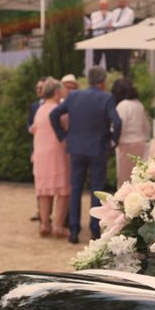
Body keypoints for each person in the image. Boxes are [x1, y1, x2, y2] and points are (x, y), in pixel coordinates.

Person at [50, 66, 122, 244]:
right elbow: (117, 121)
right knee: (97, 190)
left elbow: (54, 114)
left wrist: (63, 136)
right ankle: (95, 229)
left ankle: (74, 231)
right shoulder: (106, 97)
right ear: (103, 82)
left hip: (76, 148)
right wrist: (114, 140)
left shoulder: (74, 96)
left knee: (75, 189)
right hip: (98, 148)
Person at [30, 78, 70, 238]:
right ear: (56, 92)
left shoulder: (39, 110)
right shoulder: (60, 110)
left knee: (44, 190)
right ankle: (58, 225)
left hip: (40, 153)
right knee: (63, 190)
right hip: (57, 151)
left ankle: (45, 223)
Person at [111, 78, 150, 187]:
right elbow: (146, 126)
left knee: (124, 179)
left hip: (126, 144)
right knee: (137, 178)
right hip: (140, 143)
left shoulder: (123, 105)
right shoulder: (138, 104)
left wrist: (114, 140)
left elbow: (119, 126)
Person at [27, 77, 45, 222]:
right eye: (37, 88)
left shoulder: (57, 104)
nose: (38, 90)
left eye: (41, 88)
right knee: (38, 180)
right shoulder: (34, 106)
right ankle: (40, 211)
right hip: (37, 145)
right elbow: (29, 123)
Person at [107, 0, 135, 76]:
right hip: (115, 38)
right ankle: (115, 75)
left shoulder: (130, 12)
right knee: (113, 59)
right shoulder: (115, 11)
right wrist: (112, 25)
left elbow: (125, 22)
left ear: (126, 2)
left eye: (123, 2)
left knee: (124, 60)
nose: (121, 3)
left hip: (125, 38)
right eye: (120, 2)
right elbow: (111, 21)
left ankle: (125, 77)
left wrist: (114, 25)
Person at [91, 0, 113, 68]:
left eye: (105, 5)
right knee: (96, 59)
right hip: (98, 38)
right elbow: (95, 26)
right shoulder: (94, 14)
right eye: (102, 5)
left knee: (109, 60)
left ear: (107, 5)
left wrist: (102, 24)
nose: (103, 6)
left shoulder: (111, 14)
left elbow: (113, 25)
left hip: (108, 39)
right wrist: (107, 22)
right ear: (99, 6)